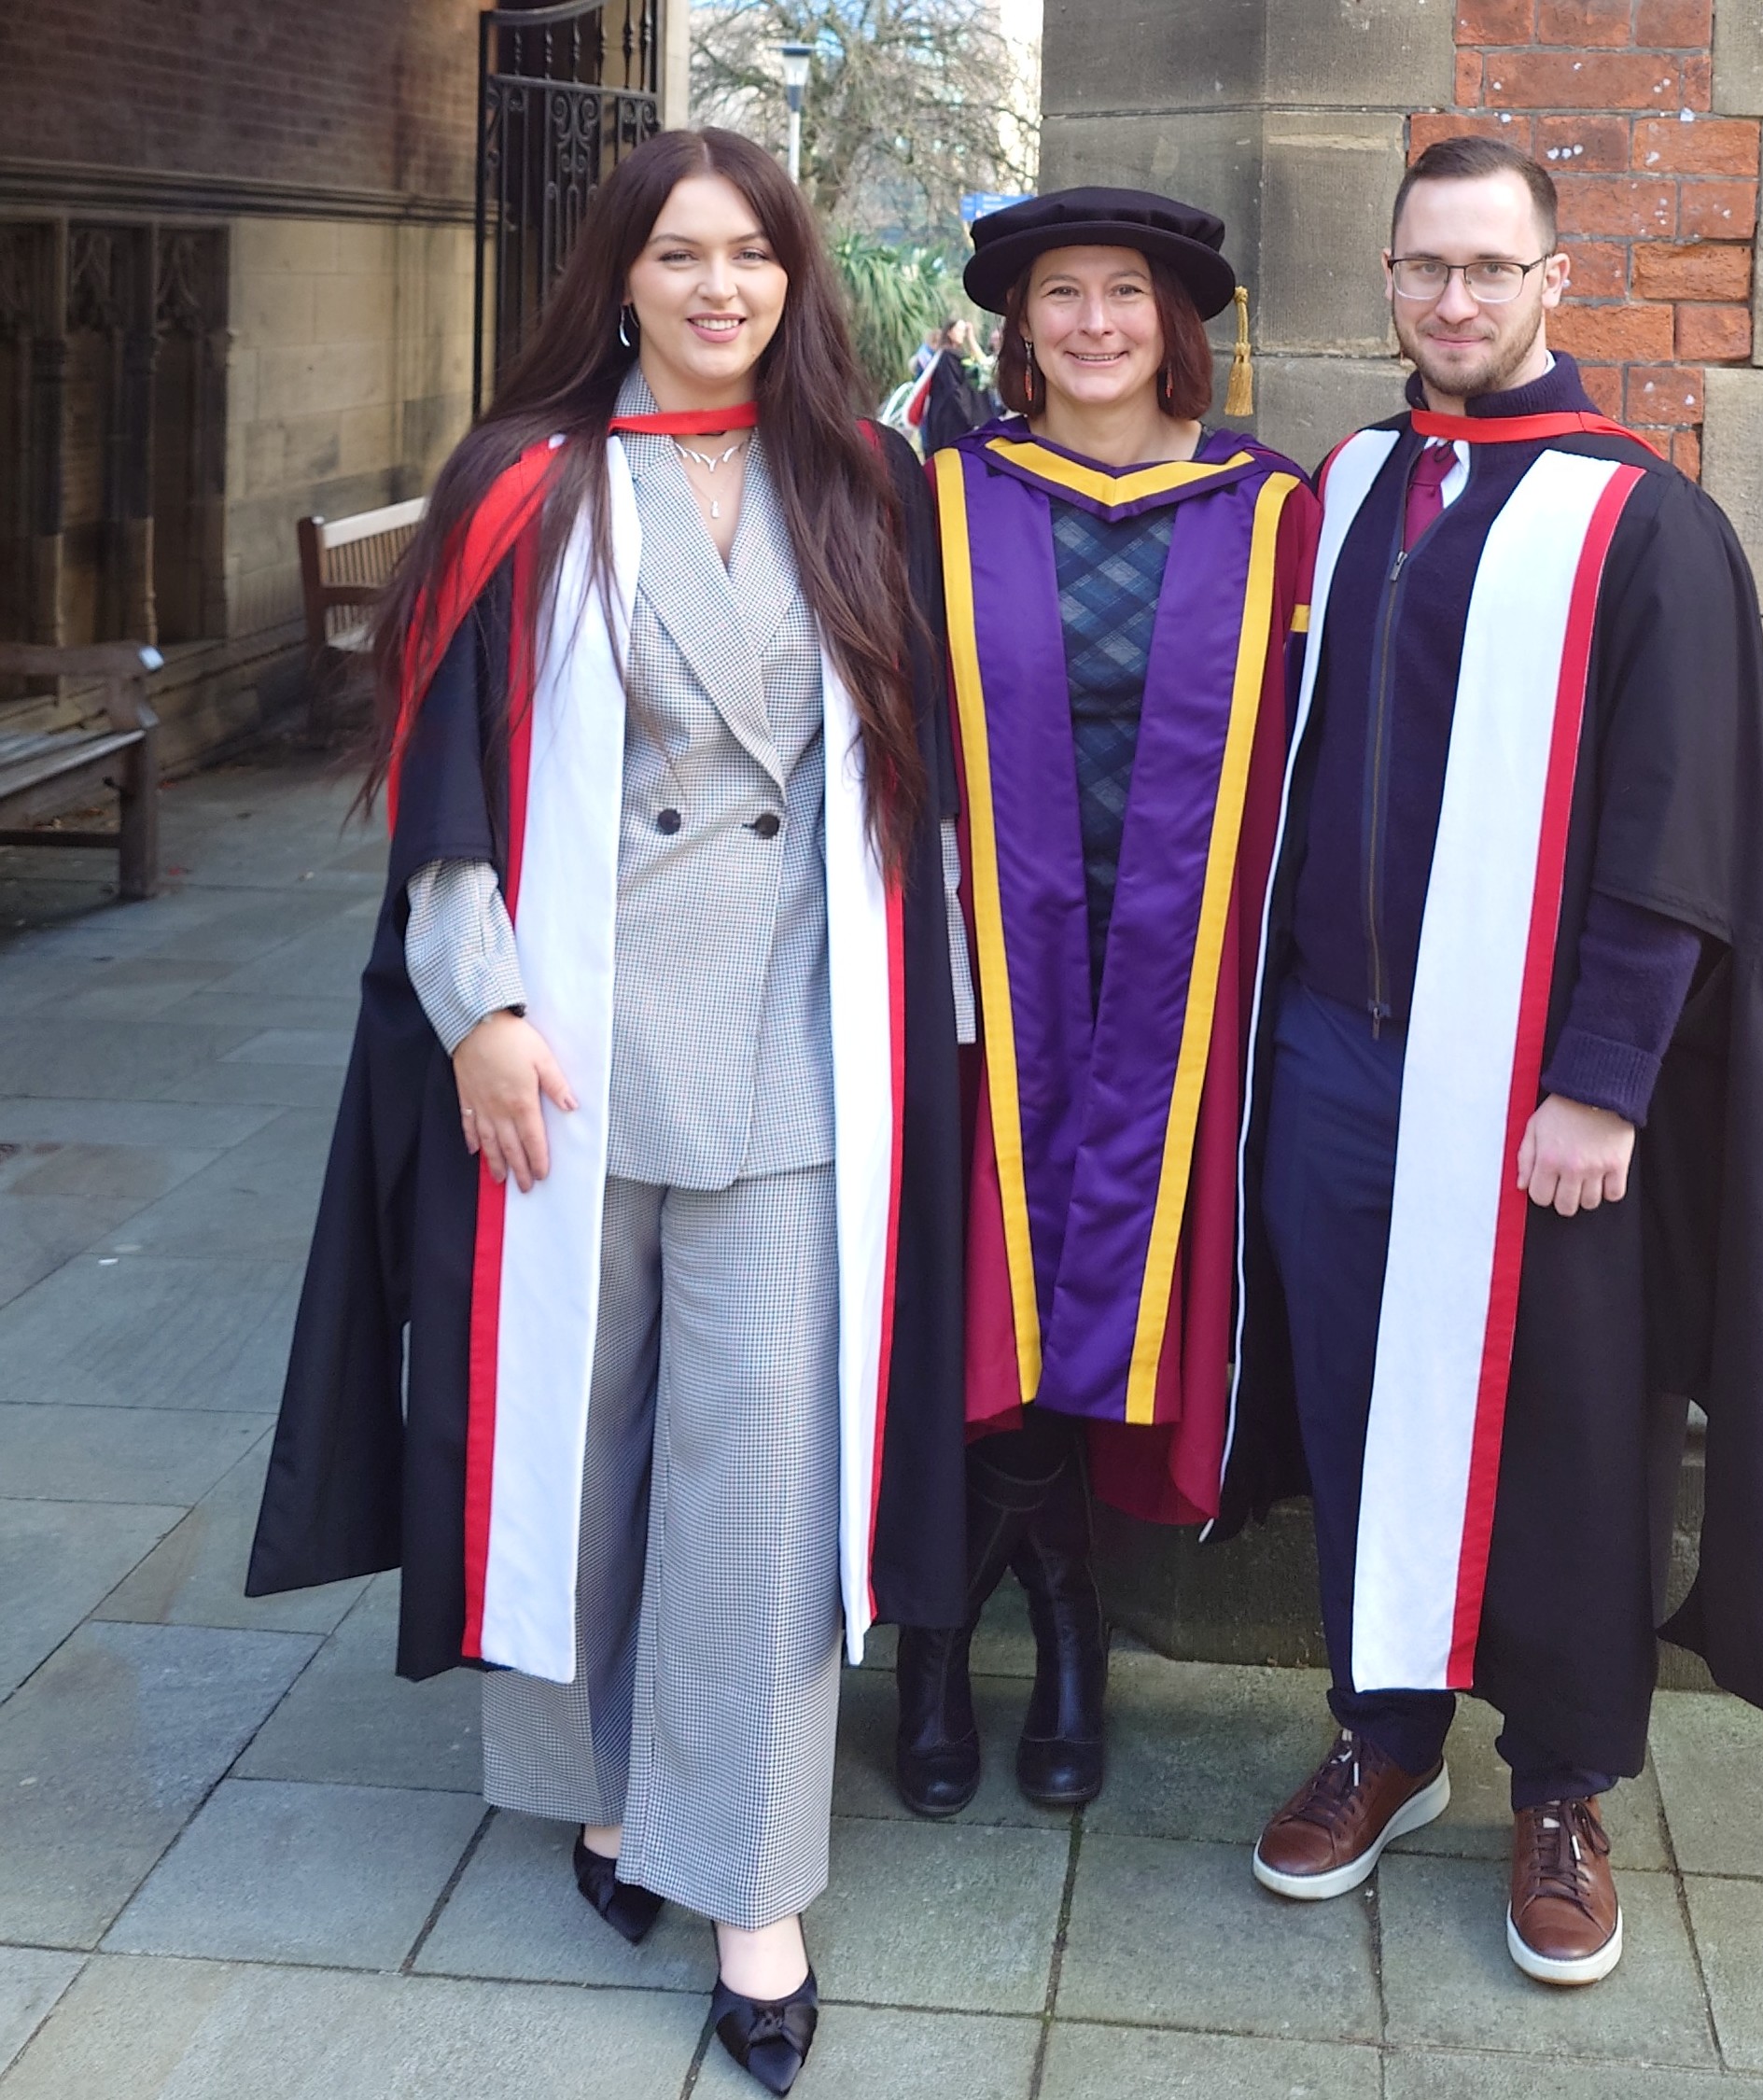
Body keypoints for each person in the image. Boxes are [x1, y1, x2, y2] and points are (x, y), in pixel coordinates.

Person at [244, 128, 967, 2093]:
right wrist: (475, 1007)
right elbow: (447, 775)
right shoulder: (527, 484)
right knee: (581, 1451)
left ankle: (750, 1884)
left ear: (795, 278)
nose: (720, 287)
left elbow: (931, 781)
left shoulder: (866, 479)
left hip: (799, 1054)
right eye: (679, 254)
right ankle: (598, 1783)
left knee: (757, 1481)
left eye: (753, 254)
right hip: (570, 1050)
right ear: (618, 279)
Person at [1219, 135, 1763, 1986]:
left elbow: (1675, 827)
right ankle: (1385, 1734)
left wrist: (1606, 1075)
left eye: (1490, 267)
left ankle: (1561, 1783)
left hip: (1537, 1082)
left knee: (1566, 1421)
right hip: (1335, 1054)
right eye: (1425, 267)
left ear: (1557, 278)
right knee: (1359, 1399)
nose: (1454, 298)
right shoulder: (1355, 485)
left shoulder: (1641, 522)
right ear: (1388, 280)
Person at [892, 189, 1320, 1818]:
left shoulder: (1274, 512)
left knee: (1113, 1267)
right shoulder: (940, 496)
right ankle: (977, 1623)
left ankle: (1034, 1610)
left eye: (1123, 293)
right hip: (982, 976)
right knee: (978, 1281)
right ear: (1018, 326)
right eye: (1058, 294)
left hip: (1183, 982)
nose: (1091, 323)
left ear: (1174, 322)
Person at [917, 318, 995, 455]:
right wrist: (968, 417)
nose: (962, 334)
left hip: (955, 417)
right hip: (951, 419)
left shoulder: (958, 355)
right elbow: (954, 388)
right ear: (949, 332)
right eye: (959, 330)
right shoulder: (947, 356)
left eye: (963, 331)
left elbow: (983, 364)